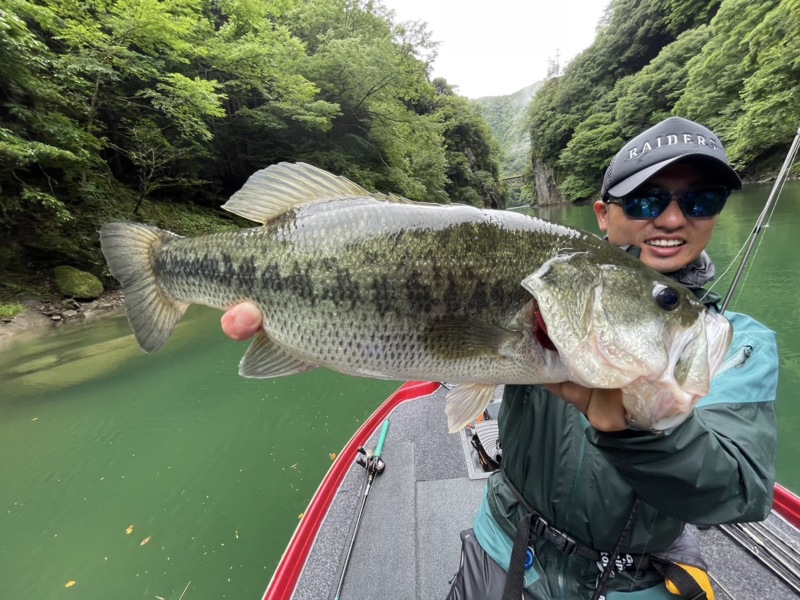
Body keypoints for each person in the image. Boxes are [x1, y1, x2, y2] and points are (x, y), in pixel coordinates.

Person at [220, 117, 778, 599]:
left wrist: (642, 427)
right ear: (603, 215)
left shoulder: (733, 340)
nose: (673, 218)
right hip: (505, 547)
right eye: (648, 200)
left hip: (639, 581)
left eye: (700, 200)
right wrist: (324, 332)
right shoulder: (558, 287)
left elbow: (738, 493)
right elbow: (445, 343)